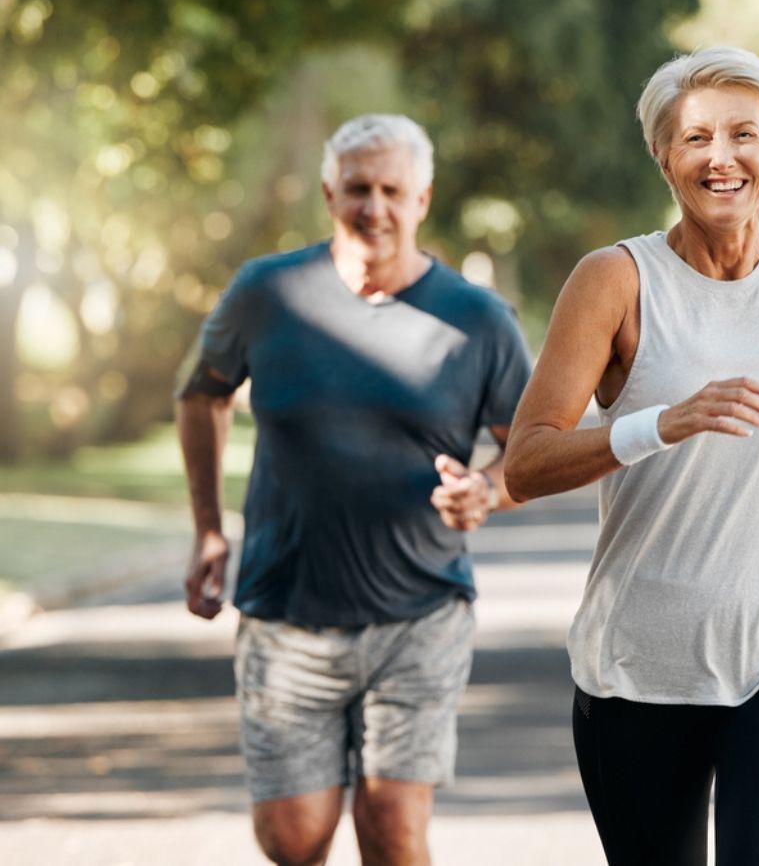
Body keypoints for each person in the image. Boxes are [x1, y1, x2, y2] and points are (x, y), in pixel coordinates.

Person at [504, 47, 759, 865]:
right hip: (639, 663)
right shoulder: (613, 281)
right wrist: (661, 423)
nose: (720, 157)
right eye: (694, 139)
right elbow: (526, 462)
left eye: (742, 135)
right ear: (663, 156)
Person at [175, 113, 531, 866]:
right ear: (330, 193)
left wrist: (487, 493)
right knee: (292, 838)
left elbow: (530, 450)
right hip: (287, 609)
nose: (376, 207)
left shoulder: (479, 320)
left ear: (423, 198)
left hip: (421, 611)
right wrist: (209, 528)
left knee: (393, 828)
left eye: (393, 190)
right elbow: (201, 394)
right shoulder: (267, 293)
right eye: (359, 189)